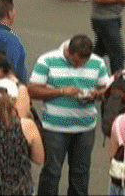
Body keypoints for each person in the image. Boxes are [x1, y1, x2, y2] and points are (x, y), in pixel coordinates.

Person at [28, 35, 110, 196]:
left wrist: (96, 94)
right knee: (52, 171)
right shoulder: (47, 60)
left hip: (85, 127)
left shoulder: (97, 63)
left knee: (81, 172)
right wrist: (61, 91)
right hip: (54, 128)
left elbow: (106, 90)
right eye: (75, 62)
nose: (79, 66)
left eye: (83, 63)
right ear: (68, 51)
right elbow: (32, 90)